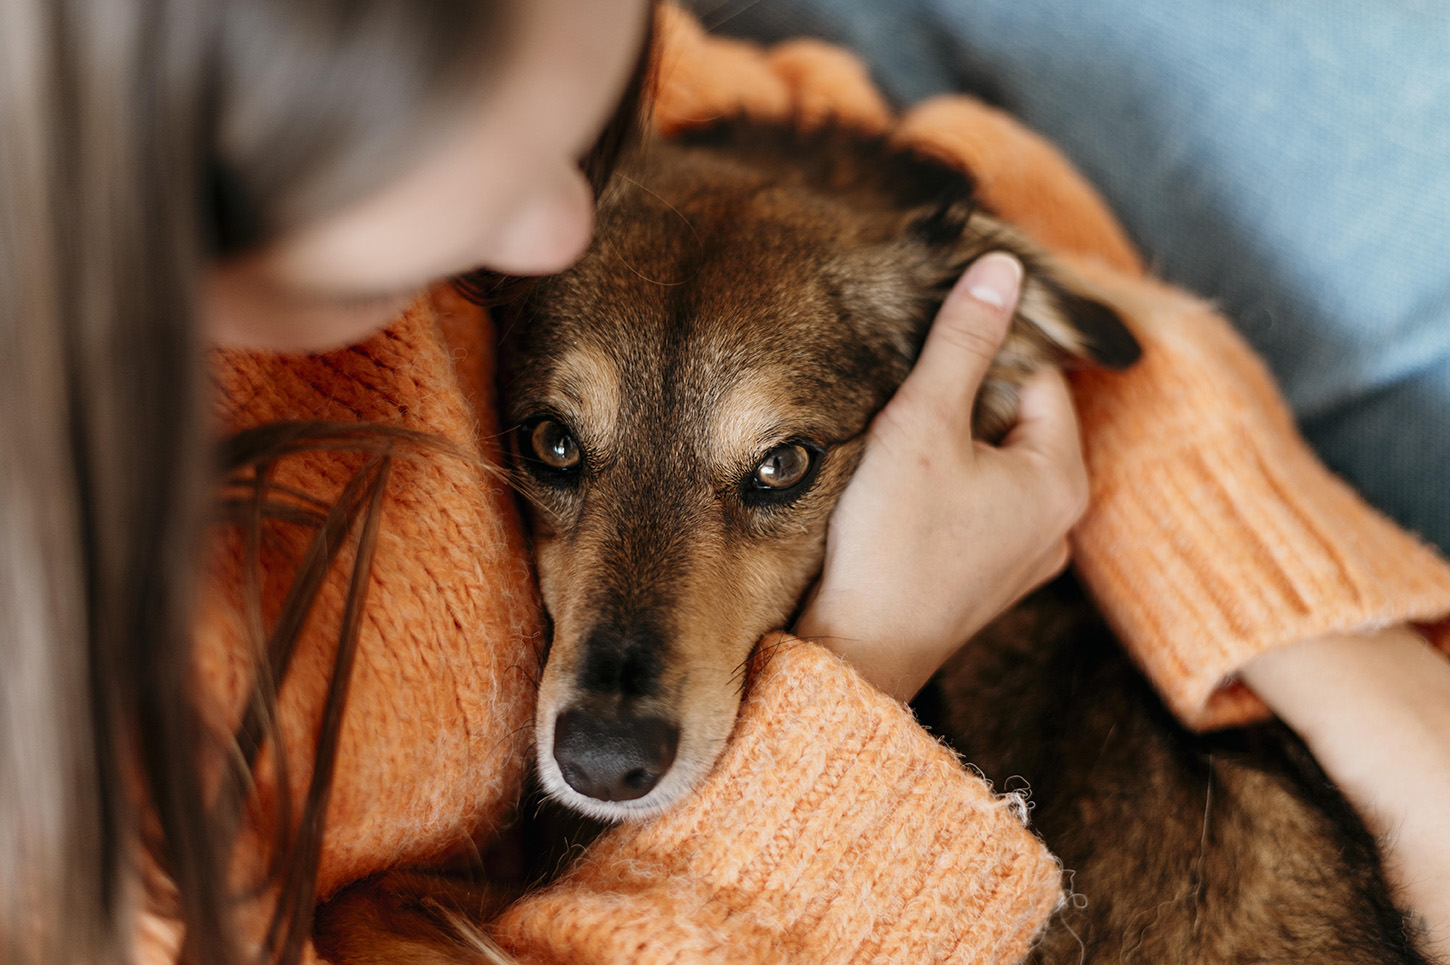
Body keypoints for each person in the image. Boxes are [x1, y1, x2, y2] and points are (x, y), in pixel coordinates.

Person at [0, 5, 1446, 965]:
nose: (560, 230)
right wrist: (867, 661)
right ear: (164, 185)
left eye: (591, 123)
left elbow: (900, 170)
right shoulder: (73, 786)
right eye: (554, 449)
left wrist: (1356, 684)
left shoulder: (497, 61)